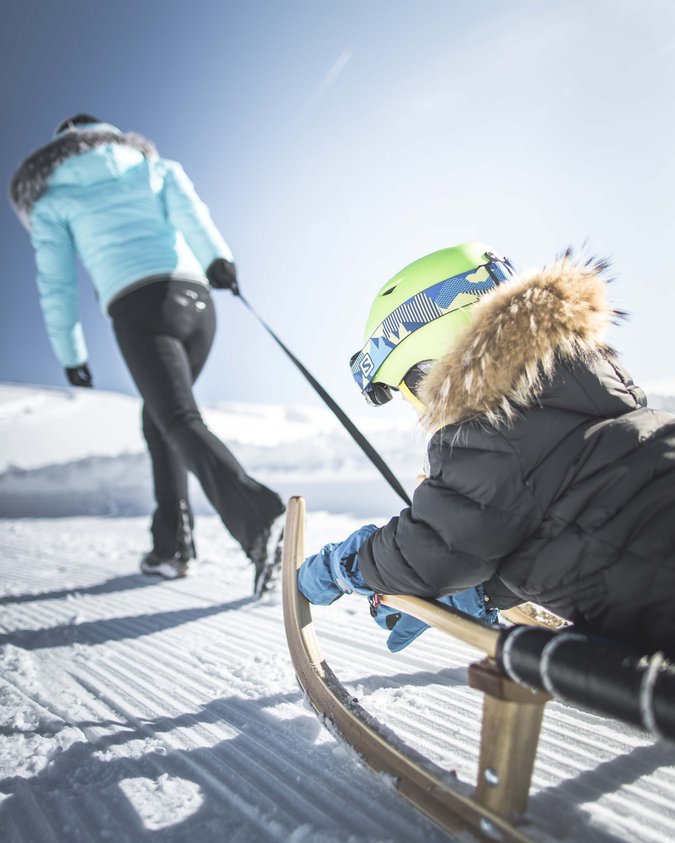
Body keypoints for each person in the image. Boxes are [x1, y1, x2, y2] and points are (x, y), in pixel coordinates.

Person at [298, 242, 675, 657]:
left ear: (430, 362)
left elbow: (432, 552)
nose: (419, 409)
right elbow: (576, 526)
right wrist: (492, 589)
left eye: (410, 391)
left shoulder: (492, 431)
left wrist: (349, 564)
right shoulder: (590, 394)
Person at [9, 114, 285, 592]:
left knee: (176, 417)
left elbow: (57, 283)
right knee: (160, 420)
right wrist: (219, 260)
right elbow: (193, 215)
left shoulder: (53, 198)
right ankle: (172, 546)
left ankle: (260, 519)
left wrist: (72, 354)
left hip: (140, 308)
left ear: (58, 151)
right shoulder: (151, 167)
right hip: (197, 303)